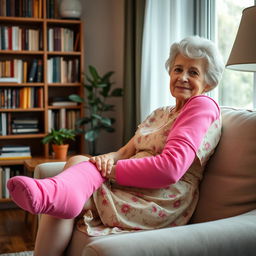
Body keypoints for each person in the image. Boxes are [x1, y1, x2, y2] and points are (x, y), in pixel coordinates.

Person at [7, 35, 224, 256]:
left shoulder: (202, 106)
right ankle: (59, 194)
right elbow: (124, 152)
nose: (183, 77)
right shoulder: (161, 113)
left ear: (208, 82)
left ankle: (55, 194)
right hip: (134, 184)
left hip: (161, 195)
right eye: (178, 69)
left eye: (193, 72)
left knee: (67, 191)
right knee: (77, 163)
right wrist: (105, 160)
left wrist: (109, 170)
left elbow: (170, 168)